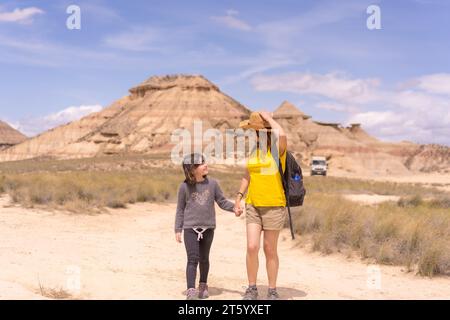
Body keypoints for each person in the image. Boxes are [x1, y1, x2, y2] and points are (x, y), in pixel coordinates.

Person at [234, 111, 288, 300]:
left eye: (262, 131)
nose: (258, 135)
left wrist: (269, 119)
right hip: (253, 204)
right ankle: (252, 288)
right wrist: (239, 197)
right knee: (251, 247)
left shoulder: (278, 150)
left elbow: (282, 134)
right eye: (256, 132)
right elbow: (248, 174)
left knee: (270, 249)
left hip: (274, 205)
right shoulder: (254, 151)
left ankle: (272, 290)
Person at [175, 153, 242, 300]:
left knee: (204, 258)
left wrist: (234, 208)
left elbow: (222, 201)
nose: (205, 165)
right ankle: (191, 289)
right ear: (192, 169)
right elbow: (180, 209)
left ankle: (203, 285)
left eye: (204, 162)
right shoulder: (184, 187)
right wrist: (178, 229)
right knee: (192, 259)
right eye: (201, 164)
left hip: (208, 228)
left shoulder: (213, 184)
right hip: (190, 228)